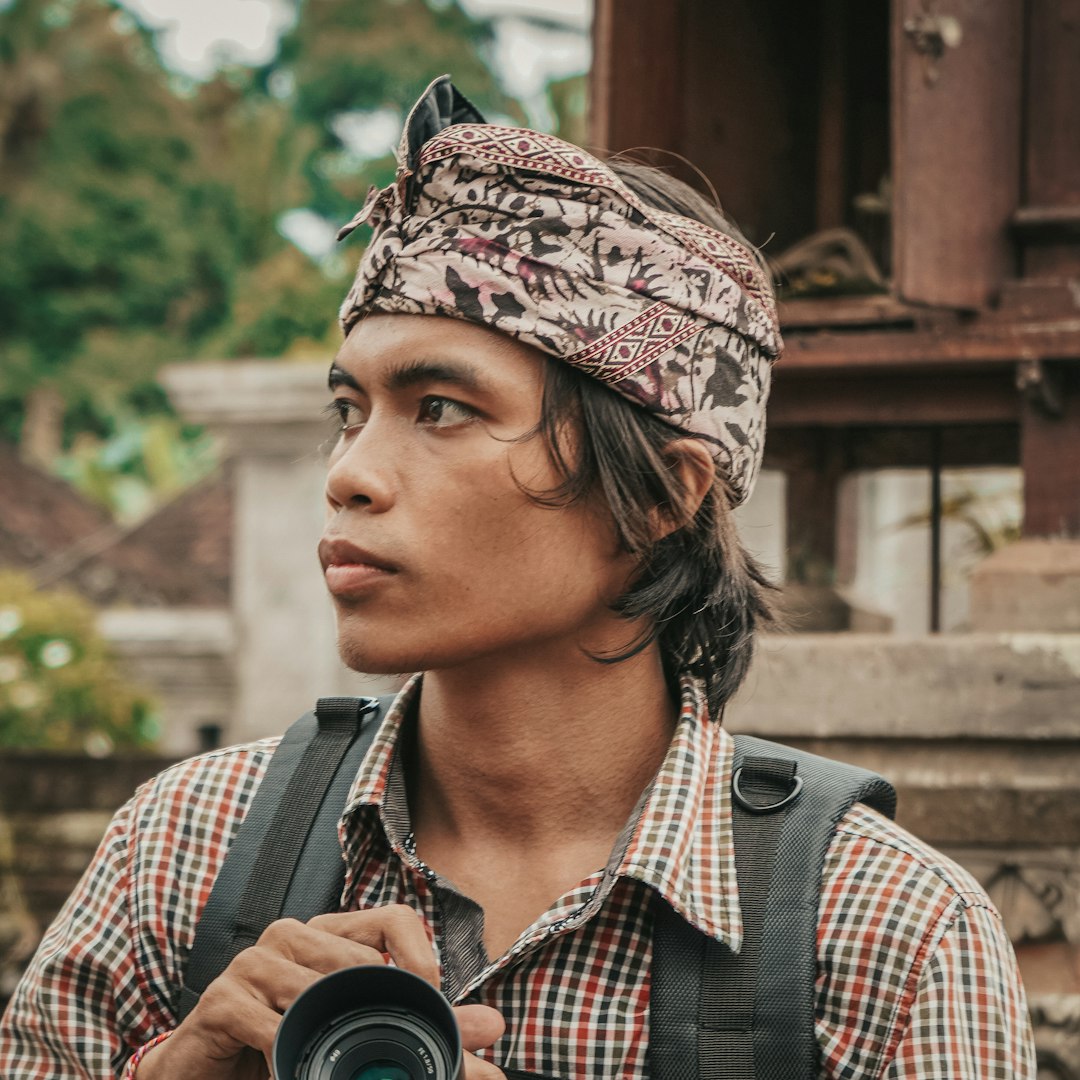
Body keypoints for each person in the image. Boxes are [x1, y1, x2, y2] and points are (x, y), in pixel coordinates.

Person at [0, 76, 1035, 1079]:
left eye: (442, 407)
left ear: (662, 496)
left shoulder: (881, 936)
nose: (350, 473)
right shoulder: (186, 850)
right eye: (347, 411)